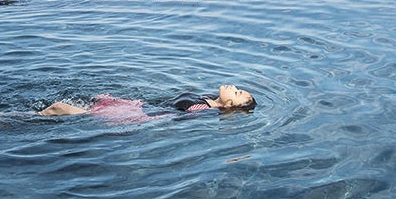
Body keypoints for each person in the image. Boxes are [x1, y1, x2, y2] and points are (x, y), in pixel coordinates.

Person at [39, 84, 257, 119]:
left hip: (136, 115)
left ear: (229, 106)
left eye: (237, 93)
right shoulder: (208, 98)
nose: (233, 87)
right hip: (138, 105)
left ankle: (16, 120)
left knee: (58, 108)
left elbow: (170, 117)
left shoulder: (201, 109)